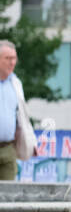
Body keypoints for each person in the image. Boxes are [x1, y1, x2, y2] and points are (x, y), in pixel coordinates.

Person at [0, 40, 35, 181]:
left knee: (8, 197)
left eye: (14, 58)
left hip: (8, 149)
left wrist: (30, 140)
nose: (12, 62)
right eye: (7, 58)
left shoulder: (16, 83)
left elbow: (23, 117)